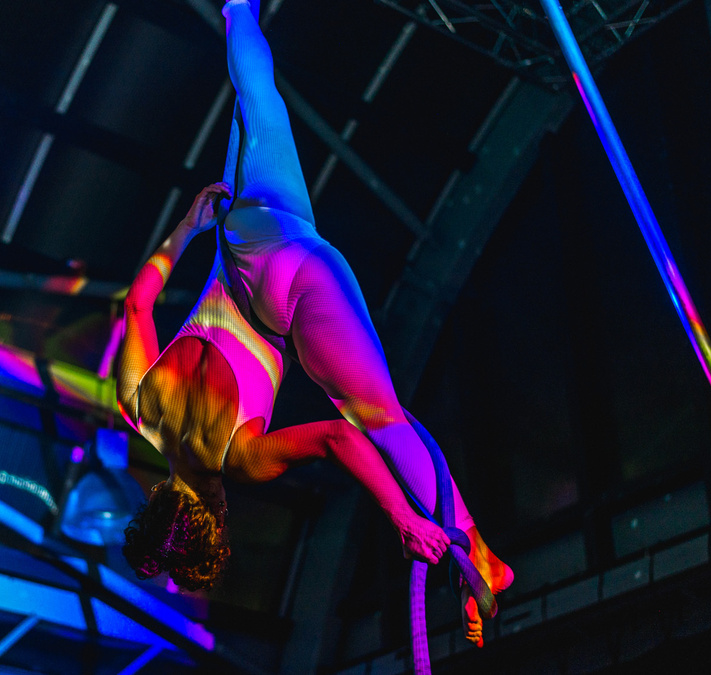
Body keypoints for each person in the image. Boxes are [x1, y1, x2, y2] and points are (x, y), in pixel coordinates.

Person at [119, 0, 512, 646]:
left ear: (215, 518)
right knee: (254, 93)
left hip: (299, 288)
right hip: (249, 233)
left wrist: (400, 517)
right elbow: (137, 304)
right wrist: (188, 227)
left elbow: (337, 438)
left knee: (376, 415)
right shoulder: (139, 406)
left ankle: (480, 550)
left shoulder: (237, 459)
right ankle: (238, 7)